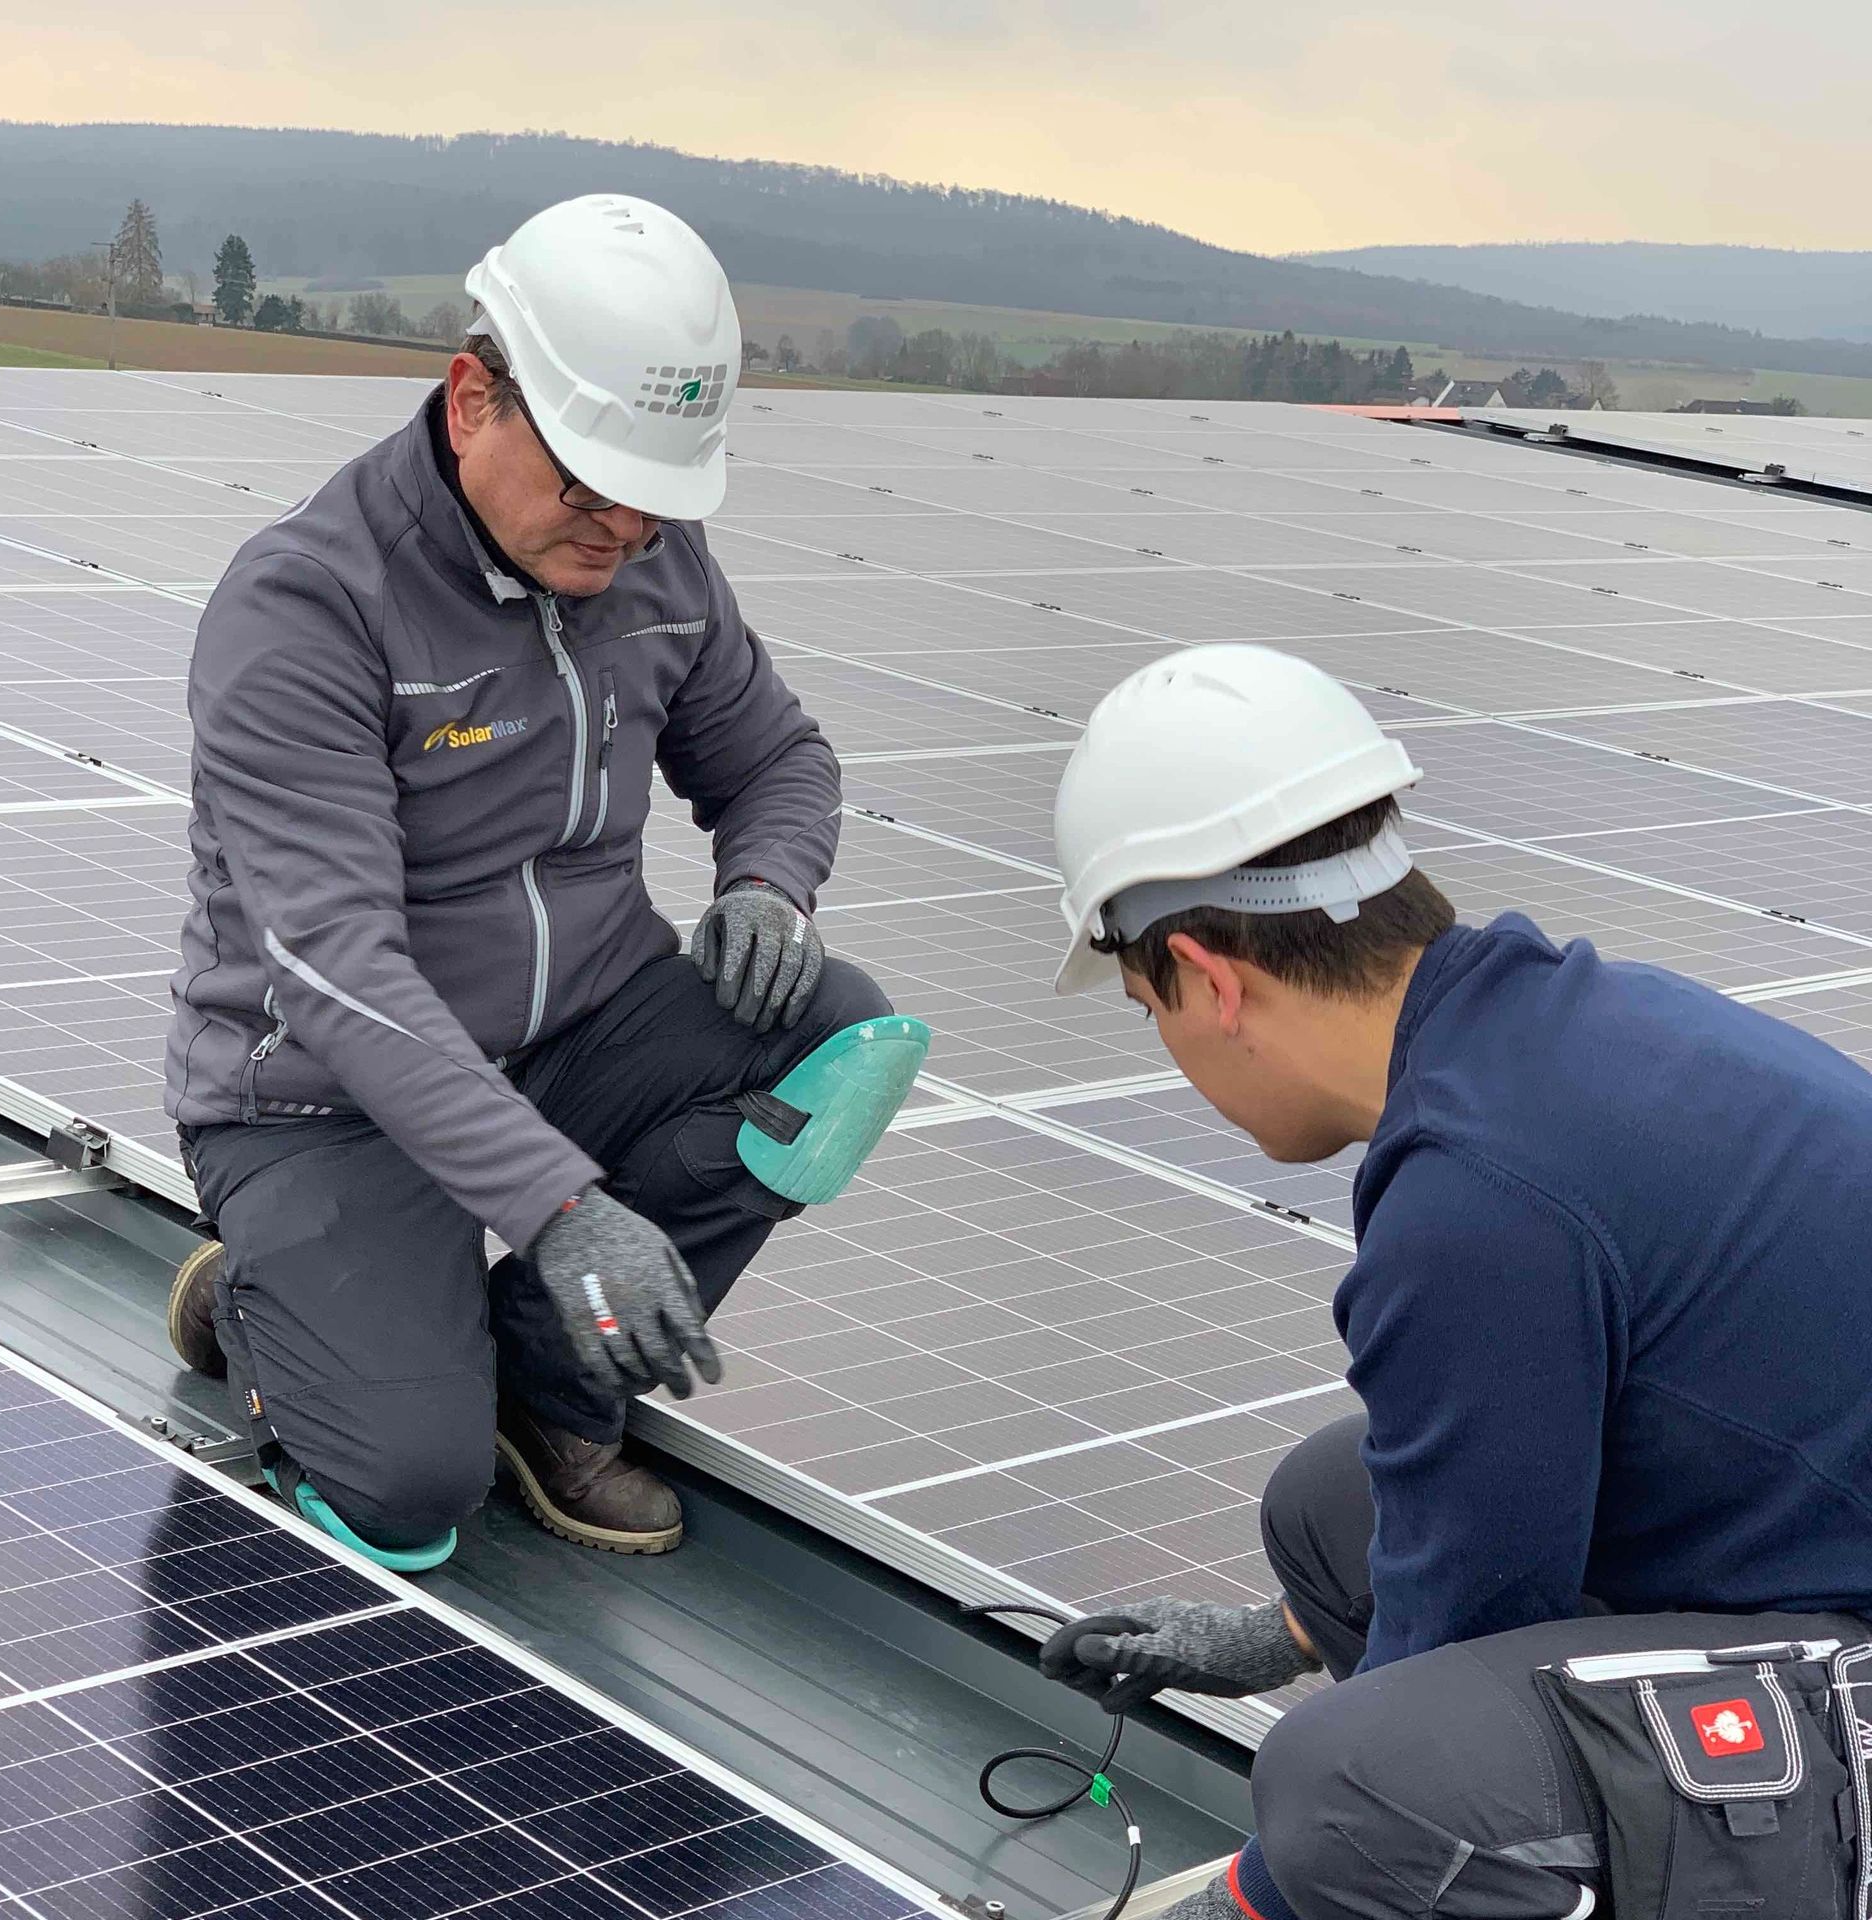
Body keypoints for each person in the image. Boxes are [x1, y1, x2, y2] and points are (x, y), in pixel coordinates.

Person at [1039, 645, 1872, 1920]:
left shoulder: (1477, 1207)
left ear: (1210, 979)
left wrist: (1253, 1900)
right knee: (1336, 1499)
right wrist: (1284, 1637)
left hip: (1854, 1700)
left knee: (1352, 1785)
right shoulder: (1559, 1032)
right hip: (1818, 1551)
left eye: (1150, 1009)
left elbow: (1442, 1678)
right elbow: (1491, 1513)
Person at [161, 196, 926, 1572]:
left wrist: (770, 880)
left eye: (655, 497)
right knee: (408, 1492)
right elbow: (338, 970)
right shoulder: (309, 606)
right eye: (587, 485)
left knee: (840, 1036)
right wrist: (560, 1211)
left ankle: (552, 1382)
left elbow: (781, 759)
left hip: (573, 1035)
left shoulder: (649, 559)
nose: (622, 529)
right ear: (472, 400)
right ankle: (277, 1304)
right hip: (327, 1103)